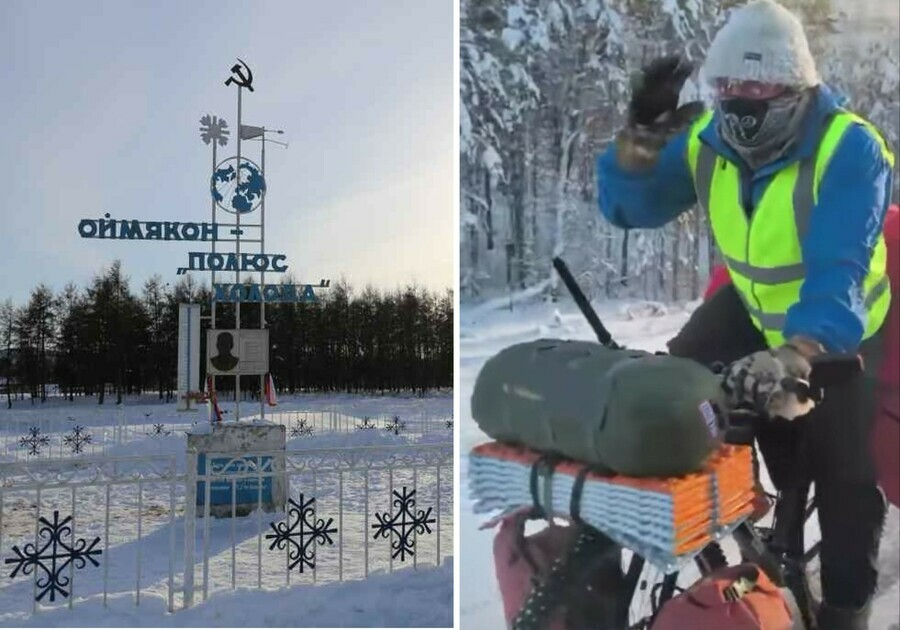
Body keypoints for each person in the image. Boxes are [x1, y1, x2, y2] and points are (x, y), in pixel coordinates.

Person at [596, 1, 895, 628]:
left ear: (794, 87)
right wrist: (640, 144)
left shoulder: (849, 148)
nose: (739, 101)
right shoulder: (709, 140)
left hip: (839, 324)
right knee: (676, 391)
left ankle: (846, 608)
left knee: (842, 474)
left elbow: (839, 268)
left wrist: (800, 352)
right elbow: (631, 209)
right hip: (752, 308)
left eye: (756, 87)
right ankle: (733, 502)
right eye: (727, 85)